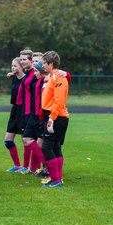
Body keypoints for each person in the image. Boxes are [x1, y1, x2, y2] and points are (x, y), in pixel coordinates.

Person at [40, 51, 69, 187]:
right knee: (55, 147)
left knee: (47, 147)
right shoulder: (51, 76)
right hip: (52, 115)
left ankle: (56, 179)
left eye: (44, 63)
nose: (42, 65)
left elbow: (59, 100)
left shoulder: (59, 78)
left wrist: (52, 117)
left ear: (51, 64)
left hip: (56, 117)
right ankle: (57, 178)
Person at [16, 49, 43, 174]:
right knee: (29, 140)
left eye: (24, 59)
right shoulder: (29, 74)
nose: (22, 61)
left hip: (35, 112)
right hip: (27, 111)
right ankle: (33, 168)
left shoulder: (37, 76)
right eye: (20, 59)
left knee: (31, 139)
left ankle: (45, 166)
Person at [4, 57, 25, 172]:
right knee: (8, 140)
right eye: (12, 66)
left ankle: (29, 167)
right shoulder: (14, 78)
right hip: (14, 111)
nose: (13, 68)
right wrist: (12, 73)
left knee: (25, 140)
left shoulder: (26, 80)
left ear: (22, 67)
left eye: (15, 66)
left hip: (23, 111)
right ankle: (17, 165)